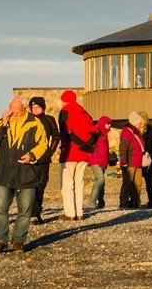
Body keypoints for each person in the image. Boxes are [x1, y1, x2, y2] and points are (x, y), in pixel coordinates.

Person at [0, 96, 48, 253]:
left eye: (18, 112)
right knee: (0, 208)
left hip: (26, 172)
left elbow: (43, 144)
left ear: (25, 109)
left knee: (25, 210)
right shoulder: (2, 122)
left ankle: (18, 241)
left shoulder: (35, 123)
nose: (14, 115)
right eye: (12, 111)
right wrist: (3, 124)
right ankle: (0, 240)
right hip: (5, 172)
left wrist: (32, 155)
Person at [58, 90, 97, 221]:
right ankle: (79, 212)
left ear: (65, 100)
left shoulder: (65, 111)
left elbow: (66, 132)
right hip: (84, 154)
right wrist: (87, 146)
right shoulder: (85, 113)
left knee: (67, 184)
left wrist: (79, 144)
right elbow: (95, 132)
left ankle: (70, 213)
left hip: (70, 153)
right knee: (79, 183)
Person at [28, 96, 59, 224]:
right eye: (33, 107)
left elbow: (56, 136)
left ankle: (36, 213)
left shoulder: (49, 120)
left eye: (38, 107)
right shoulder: (27, 119)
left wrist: (50, 152)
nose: (35, 109)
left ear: (43, 108)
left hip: (43, 159)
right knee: (29, 186)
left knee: (41, 186)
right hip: (28, 158)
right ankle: (30, 213)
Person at [119, 112, 147, 209]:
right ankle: (124, 203)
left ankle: (136, 203)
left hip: (138, 162)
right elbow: (123, 147)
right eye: (140, 123)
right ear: (135, 122)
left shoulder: (136, 132)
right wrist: (123, 161)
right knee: (127, 184)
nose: (141, 125)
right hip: (130, 163)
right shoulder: (127, 132)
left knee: (138, 184)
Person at [87, 115, 112, 209]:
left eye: (110, 124)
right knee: (100, 180)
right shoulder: (97, 132)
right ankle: (91, 202)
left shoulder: (105, 134)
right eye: (108, 123)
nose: (109, 125)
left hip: (103, 161)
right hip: (96, 160)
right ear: (103, 123)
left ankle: (101, 202)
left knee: (100, 182)